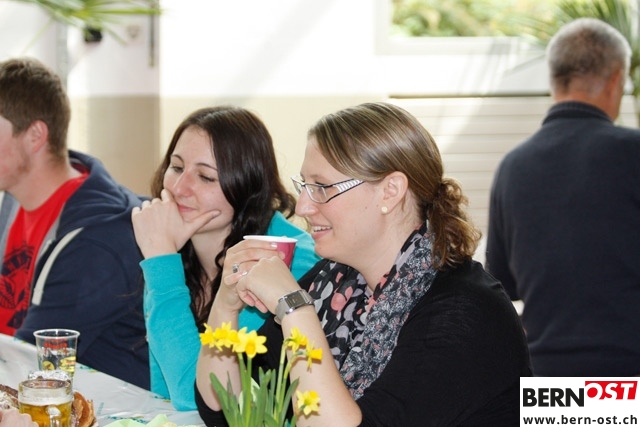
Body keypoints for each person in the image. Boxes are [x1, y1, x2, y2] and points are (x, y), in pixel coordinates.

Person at [195, 102, 531, 426]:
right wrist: (226, 305)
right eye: (305, 186)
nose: (303, 207)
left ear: (390, 191)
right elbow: (228, 411)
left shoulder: (463, 311)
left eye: (321, 187)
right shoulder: (334, 284)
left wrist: (295, 309)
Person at [131, 106, 319, 411]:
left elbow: (197, 397)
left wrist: (161, 261)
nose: (178, 188)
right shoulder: (170, 242)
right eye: (176, 167)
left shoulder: (290, 260)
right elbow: (164, 393)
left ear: (247, 187)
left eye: (206, 177)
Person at [486, 18, 640, 377]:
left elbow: (501, 284)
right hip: (629, 372)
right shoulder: (633, 153)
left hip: (547, 380)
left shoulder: (512, 167)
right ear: (616, 80)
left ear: (554, 80)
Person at [0, 57, 149, 389]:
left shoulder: (97, 242)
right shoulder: (14, 196)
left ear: (35, 136)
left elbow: (32, 368)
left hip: (78, 400)